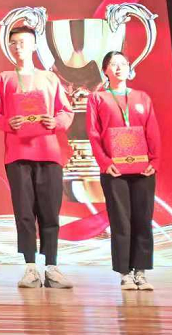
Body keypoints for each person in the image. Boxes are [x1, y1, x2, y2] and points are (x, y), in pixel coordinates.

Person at [0, 26, 74, 289]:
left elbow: (66, 111)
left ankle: (52, 267)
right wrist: (7, 122)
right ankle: (30, 268)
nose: (18, 47)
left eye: (23, 42)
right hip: (17, 154)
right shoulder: (4, 78)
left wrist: (55, 122)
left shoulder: (49, 78)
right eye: (13, 43)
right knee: (24, 213)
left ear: (35, 45)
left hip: (48, 154)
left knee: (50, 212)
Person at [86, 51, 160, 291]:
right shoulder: (97, 98)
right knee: (120, 221)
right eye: (113, 64)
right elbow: (93, 134)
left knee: (142, 219)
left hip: (143, 169)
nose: (119, 68)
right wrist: (105, 162)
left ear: (130, 68)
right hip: (114, 169)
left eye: (123, 64)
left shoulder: (142, 97)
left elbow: (152, 131)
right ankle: (125, 273)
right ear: (105, 71)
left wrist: (154, 161)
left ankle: (141, 272)